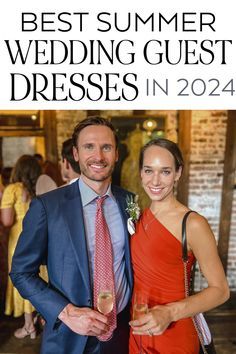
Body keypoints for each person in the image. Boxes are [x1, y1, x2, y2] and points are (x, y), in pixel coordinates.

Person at [10, 117, 133, 354]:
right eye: (89, 147)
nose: (98, 156)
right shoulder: (48, 206)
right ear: (75, 154)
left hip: (121, 335)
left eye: (106, 147)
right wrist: (67, 312)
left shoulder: (129, 202)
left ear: (116, 154)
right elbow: (21, 272)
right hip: (68, 336)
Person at [129, 138, 229, 354]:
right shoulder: (138, 215)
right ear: (141, 173)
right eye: (149, 170)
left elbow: (221, 291)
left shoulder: (192, 223)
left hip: (174, 332)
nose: (155, 181)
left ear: (178, 173)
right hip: (138, 328)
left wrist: (169, 313)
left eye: (165, 171)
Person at [0, 155, 41, 339]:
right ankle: (41, 319)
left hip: (19, 239)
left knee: (22, 276)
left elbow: (7, 221)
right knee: (39, 277)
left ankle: (28, 325)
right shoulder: (40, 189)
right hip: (40, 238)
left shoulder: (13, 190)